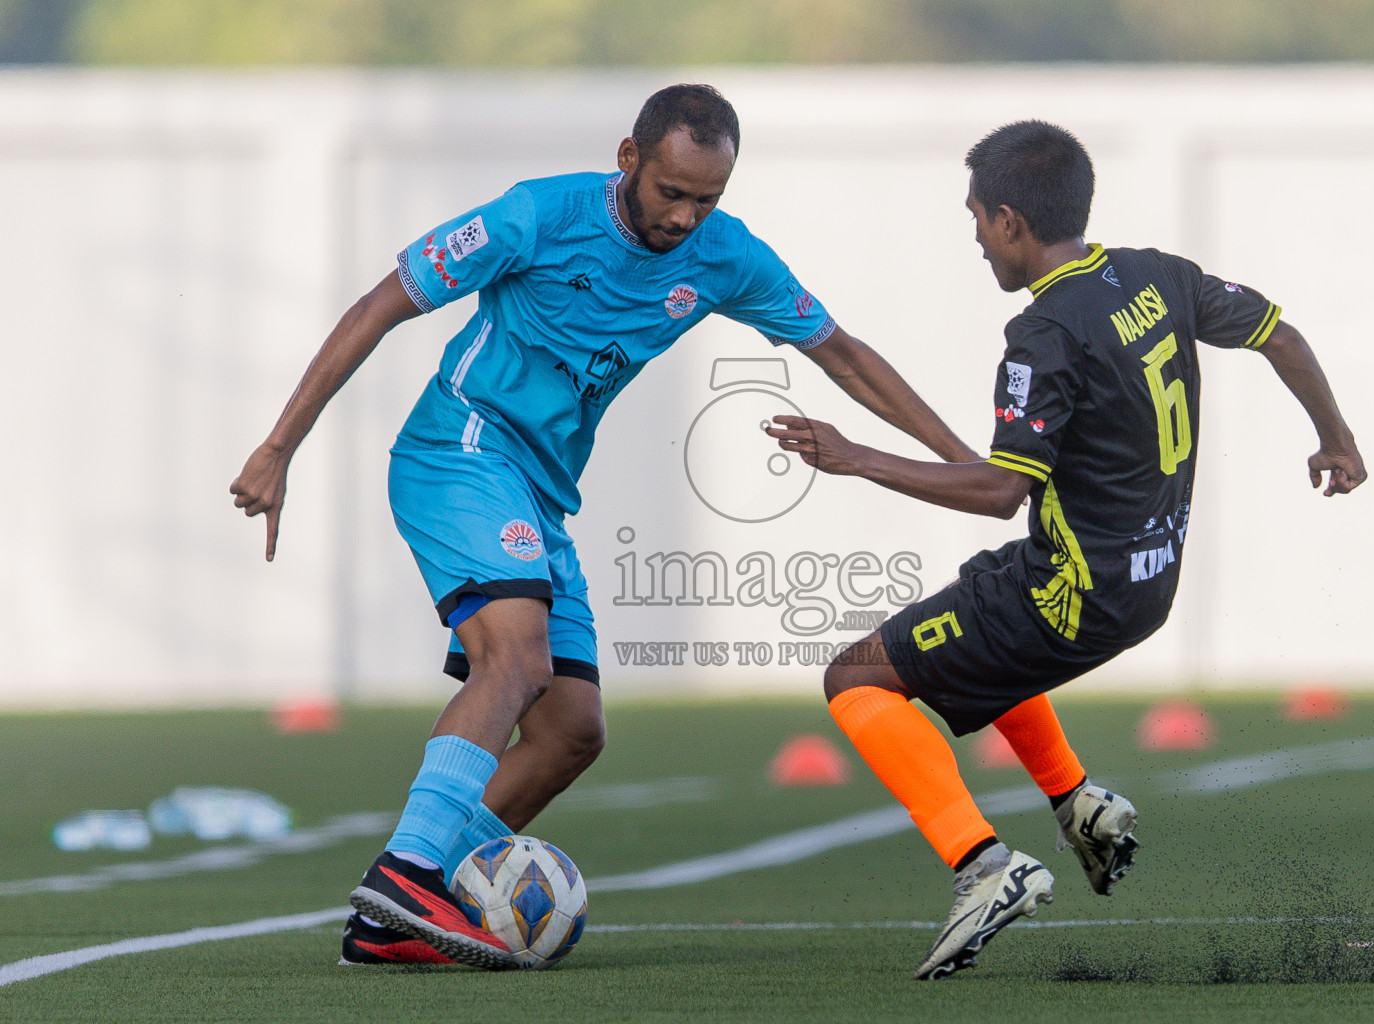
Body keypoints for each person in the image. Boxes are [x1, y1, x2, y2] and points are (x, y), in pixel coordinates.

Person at [229, 84, 979, 969]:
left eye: (708, 200)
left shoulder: (726, 257)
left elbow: (845, 355)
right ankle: (407, 874)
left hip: (540, 495)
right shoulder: (535, 217)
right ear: (629, 158)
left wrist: (966, 460)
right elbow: (380, 305)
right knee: (516, 658)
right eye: (672, 192)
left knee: (571, 732)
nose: (687, 216)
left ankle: (390, 920)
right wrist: (280, 447)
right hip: (460, 449)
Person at [768, 119, 1366, 980]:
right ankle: (1079, 805)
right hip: (1148, 586)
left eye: (976, 218)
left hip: (1074, 594)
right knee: (984, 617)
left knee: (856, 678)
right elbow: (1280, 332)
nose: (974, 240)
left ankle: (984, 865)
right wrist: (1336, 440)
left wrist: (853, 456)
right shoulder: (1156, 275)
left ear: (1011, 220)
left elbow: (998, 491)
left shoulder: (1043, 334)